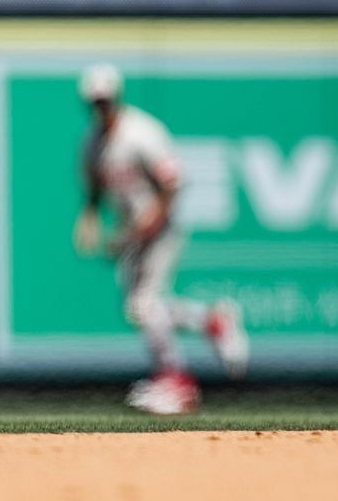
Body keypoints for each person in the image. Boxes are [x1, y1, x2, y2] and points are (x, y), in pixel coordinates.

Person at [74, 63, 250, 415]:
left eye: (106, 100)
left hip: (161, 227)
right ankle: (213, 321)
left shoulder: (142, 133)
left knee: (145, 304)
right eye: (95, 102)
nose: (101, 108)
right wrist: (90, 215)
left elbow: (174, 182)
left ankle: (176, 381)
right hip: (133, 232)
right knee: (141, 310)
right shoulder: (94, 143)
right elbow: (95, 186)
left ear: (117, 99)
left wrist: (152, 218)